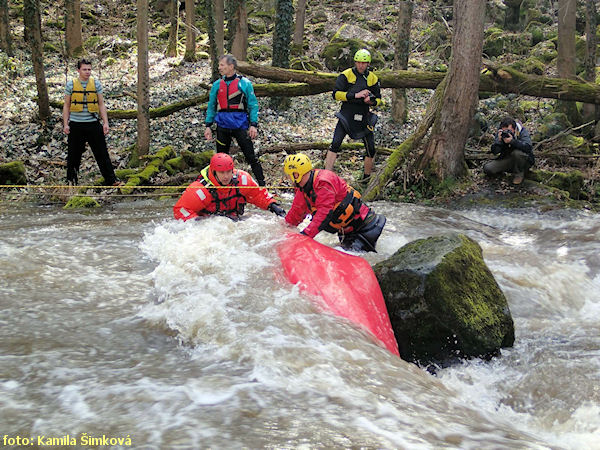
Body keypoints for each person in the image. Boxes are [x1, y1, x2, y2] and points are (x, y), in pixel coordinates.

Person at [283, 153, 386, 253]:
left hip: (365, 227)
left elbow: (324, 213)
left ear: (296, 174)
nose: (288, 179)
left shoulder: (323, 182)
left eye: (289, 175)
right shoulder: (303, 189)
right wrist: (283, 230)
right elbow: (295, 213)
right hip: (347, 232)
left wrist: (305, 235)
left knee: (347, 255)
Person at [204, 54, 266, 186]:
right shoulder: (216, 85)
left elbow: (253, 105)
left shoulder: (245, 83)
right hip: (222, 126)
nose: (219, 68)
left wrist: (253, 125)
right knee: (220, 160)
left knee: (251, 157)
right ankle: (218, 188)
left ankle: (263, 186)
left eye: (222, 65)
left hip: (240, 125)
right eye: (219, 65)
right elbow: (211, 106)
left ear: (231, 66)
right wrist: (208, 125)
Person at [325, 48, 382, 183]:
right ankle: (326, 176)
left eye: (364, 63)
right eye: (358, 63)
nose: (361, 65)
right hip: (346, 115)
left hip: (364, 116)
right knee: (335, 143)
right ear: (355, 62)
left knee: (371, 148)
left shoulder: (373, 78)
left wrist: (371, 101)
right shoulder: (346, 75)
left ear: (368, 64)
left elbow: (379, 99)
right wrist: (355, 95)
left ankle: (366, 179)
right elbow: (336, 94)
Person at [173, 153, 286, 221]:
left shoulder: (242, 179)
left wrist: (273, 205)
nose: (226, 176)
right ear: (214, 172)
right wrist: (201, 225)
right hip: (211, 227)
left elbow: (258, 194)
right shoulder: (200, 190)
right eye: (222, 173)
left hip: (235, 221)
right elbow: (181, 210)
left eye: (228, 172)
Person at [62, 59, 120, 186]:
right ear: (78, 70)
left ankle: (111, 180)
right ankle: (71, 182)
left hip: (93, 123)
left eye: (89, 69)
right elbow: (66, 105)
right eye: (84, 69)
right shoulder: (71, 85)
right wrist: (65, 124)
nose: (87, 72)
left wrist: (105, 123)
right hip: (76, 125)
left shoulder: (96, 84)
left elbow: (101, 104)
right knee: (73, 155)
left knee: (102, 153)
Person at [483, 117, 534, 185]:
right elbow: (495, 151)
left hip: (523, 161)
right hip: (508, 159)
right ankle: (505, 172)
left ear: (515, 129)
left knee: (517, 153)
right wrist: (499, 141)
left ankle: (519, 174)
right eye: (505, 131)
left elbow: (528, 147)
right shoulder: (501, 133)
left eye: (509, 131)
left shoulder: (522, 132)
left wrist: (513, 141)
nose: (507, 133)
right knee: (488, 168)